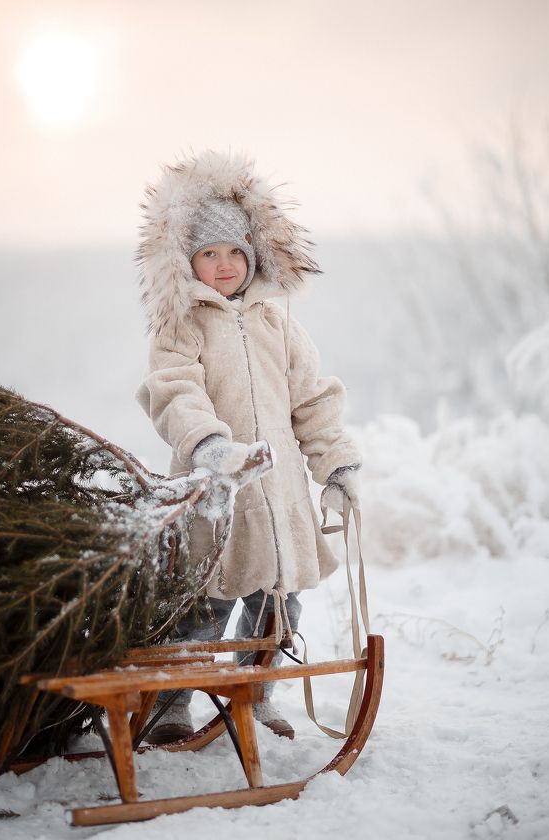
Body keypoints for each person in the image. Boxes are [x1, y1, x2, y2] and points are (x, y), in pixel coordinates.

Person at [136, 149, 360, 742]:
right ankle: (174, 702)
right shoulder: (181, 325)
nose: (225, 264)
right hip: (216, 493)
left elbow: (311, 399)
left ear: (253, 255)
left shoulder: (275, 322)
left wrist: (335, 466)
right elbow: (173, 390)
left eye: (235, 251)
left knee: (276, 607)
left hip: (279, 492)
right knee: (203, 605)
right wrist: (208, 443)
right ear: (188, 262)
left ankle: (255, 692)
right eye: (209, 254)